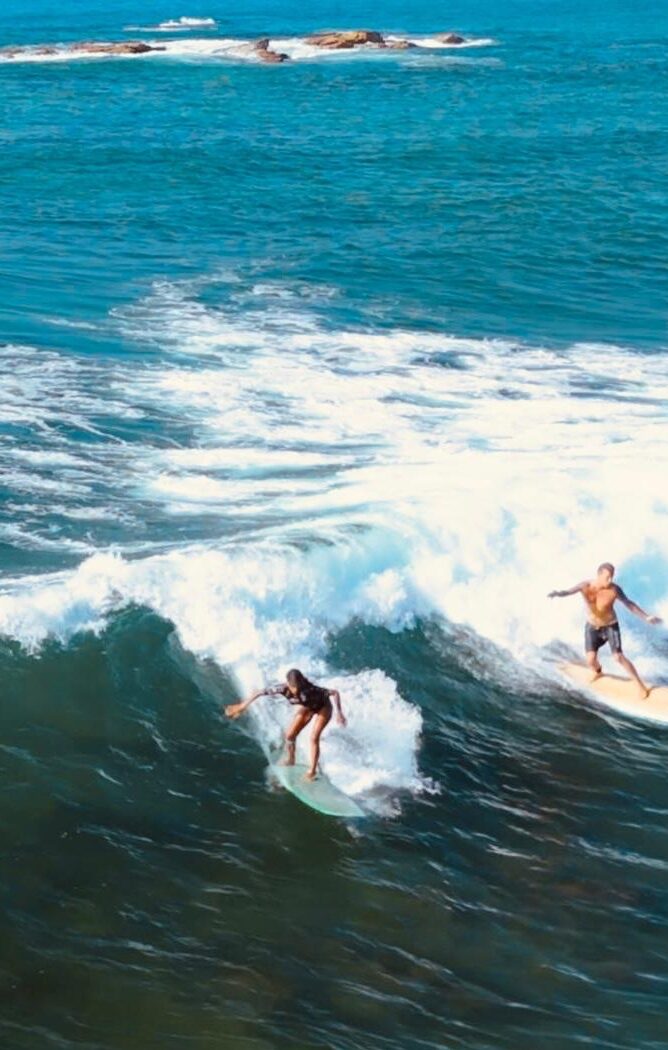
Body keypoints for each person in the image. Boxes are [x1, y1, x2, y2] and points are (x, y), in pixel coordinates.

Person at [548, 562, 662, 698]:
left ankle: (640, 685)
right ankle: (597, 672)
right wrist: (557, 593)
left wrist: (646, 617)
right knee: (590, 660)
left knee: (618, 657)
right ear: (599, 575)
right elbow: (568, 591)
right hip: (592, 626)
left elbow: (629, 604)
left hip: (610, 626)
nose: (610, 580)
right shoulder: (585, 586)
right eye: (607, 577)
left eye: (612, 577)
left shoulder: (614, 590)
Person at [225, 668, 347, 781]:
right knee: (289, 736)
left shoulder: (310, 689)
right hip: (308, 708)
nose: (296, 691)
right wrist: (242, 706)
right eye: (293, 687)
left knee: (314, 738)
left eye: (298, 687)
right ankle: (291, 759)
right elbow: (259, 693)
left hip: (323, 708)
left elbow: (334, 693)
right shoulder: (282, 689)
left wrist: (339, 713)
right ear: (287, 683)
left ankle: (312, 771)